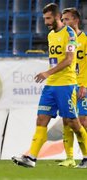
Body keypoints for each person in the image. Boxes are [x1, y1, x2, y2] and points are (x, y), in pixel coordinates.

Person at [12, 3, 87, 168]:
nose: (45, 22)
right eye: (44, 18)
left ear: (57, 16)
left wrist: (47, 73)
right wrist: (49, 76)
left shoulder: (70, 34)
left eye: (48, 18)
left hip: (66, 84)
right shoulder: (51, 35)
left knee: (74, 123)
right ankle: (31, 157)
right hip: (51, 86)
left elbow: (68, 60)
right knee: (41, 119)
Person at [58, 7, 87, 168]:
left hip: (81, 85)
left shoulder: (85, 40)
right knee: (66, 121)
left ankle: (86, 156)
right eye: (62, 20)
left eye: (67, 19)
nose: (64, 22)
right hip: (67, 85)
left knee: (82, 122)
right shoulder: (64, 38)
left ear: (76, 20)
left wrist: (84, 85)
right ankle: (70, 158)